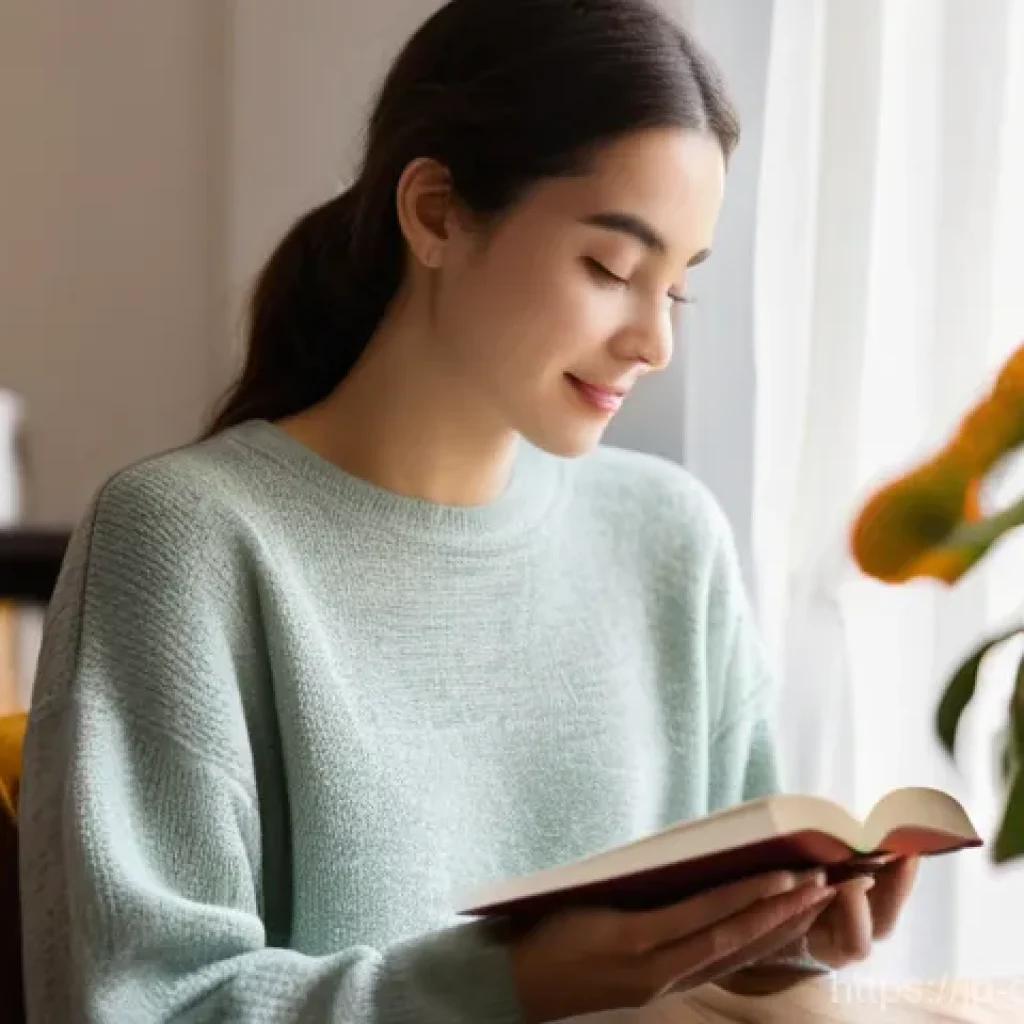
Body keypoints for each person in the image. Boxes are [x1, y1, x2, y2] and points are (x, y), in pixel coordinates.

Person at [18, 1, 919, 1021]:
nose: (654, 343)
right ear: (437, 212)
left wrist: (776, 941)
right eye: (612, 269)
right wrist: (515, 980)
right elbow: (147, 1002)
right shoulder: (183, 542)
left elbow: (706, 973)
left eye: (676, 289)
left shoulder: (672, 538)